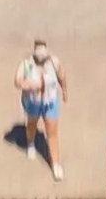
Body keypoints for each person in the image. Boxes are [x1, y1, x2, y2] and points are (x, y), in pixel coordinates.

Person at [14, 39, 68, 181]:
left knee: (52, 133)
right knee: (32, 124)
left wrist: (64, 91)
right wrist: (30, 86)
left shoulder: (54, 62)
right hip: (33, 102)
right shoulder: (27, 63)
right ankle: (31, 143)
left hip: (50, 102)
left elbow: (62, 76)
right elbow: (17, 81)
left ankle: (56, 164)